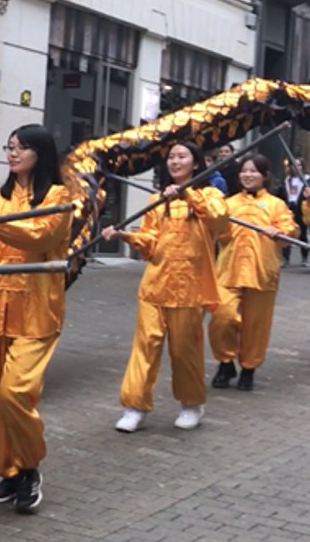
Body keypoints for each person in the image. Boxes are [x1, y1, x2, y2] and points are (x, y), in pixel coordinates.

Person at [0, 124, 70, 515]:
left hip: (37, 312)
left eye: (21, 147)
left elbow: (39, 236)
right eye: (9, 147)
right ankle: (10, 472)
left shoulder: (58, 197)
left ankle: (30, 466)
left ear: (41, 152)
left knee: (15, 393)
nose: (13, 153)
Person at [102, 142, 226, 433]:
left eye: (182, 156)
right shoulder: (158, 199)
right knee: (145, 347)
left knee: (184, 351)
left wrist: (187, 193)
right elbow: (150, 243)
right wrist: (125, 236)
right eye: (171, 157)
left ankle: (192, 404)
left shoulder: (210, 195)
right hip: (155, 286)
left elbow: (219, 220)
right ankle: (134, 406)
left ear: (196, 163)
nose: (175, 161)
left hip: (189, 289)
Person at [208, 154, 297, 391]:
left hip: (262, 273)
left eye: (253, 171)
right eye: (244, 171)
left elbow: (291, 229)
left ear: (264, 176)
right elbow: (217, 232)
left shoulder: (276, 205)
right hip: (228, 271)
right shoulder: (228, 204)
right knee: (222, 317)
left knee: (256, 325)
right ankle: (225, 362)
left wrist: (280, 231)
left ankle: (249, 368)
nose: (248, 175)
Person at [277, 159, 309, 266]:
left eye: (299, 165)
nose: (296, 167)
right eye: (294, 165)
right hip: (289, 208)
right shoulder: (286, 181)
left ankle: (304, 258)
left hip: (301, 209)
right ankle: (285, 258)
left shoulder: (307, 180)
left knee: (302, 233)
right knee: (287, 232)